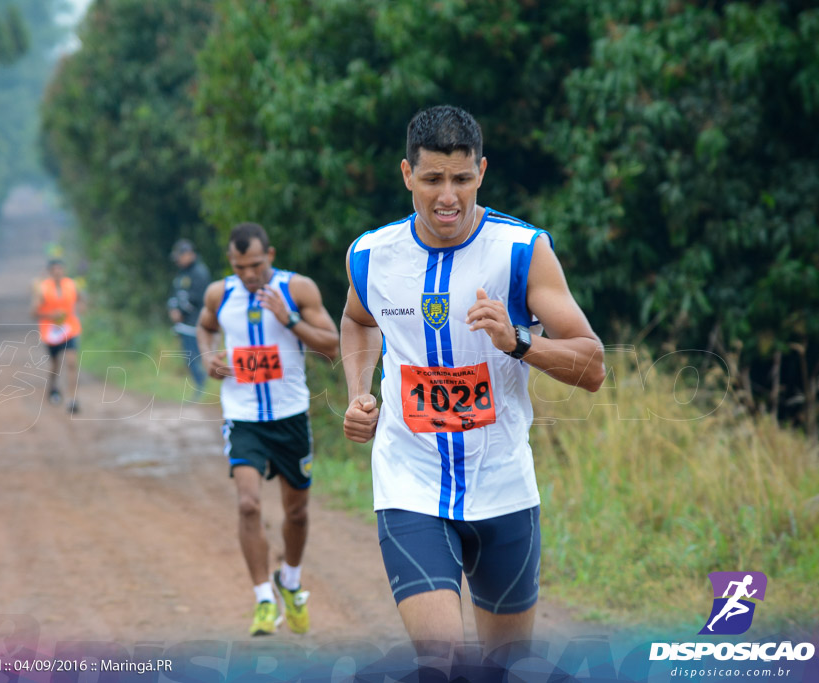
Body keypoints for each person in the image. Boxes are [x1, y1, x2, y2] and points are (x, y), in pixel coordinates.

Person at [340, 105, 606, 659]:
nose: (448, 196)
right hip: (409, 483)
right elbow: (358, 320)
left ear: (481, 172)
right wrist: (358, 393)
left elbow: (593, 367)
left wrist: (519, 342)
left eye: (462, 179)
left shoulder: (521, 251)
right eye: (433, 178)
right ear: (407, 174)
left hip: (504, 486)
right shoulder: (371, 255)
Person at [196, 222, 340, 636]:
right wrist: (208, 358)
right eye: (240, 266)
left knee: (296, 511)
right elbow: (204, 327)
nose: (248, 274)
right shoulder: (218, 294)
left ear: (270, 256)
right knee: (248, 504)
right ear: (231, 262)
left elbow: (330, 345)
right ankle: (263, 598)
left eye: (256, 264)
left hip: (290, 417)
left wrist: (289, 319)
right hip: (242, 418)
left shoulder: (298, 290)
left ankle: (290, 582)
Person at [31, 258, 84, 414]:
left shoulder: (72, 285)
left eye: (60, 269)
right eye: (54, 270)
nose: (58, 273)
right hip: (51, 332)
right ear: (50, 272)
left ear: (64, 271)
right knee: (55, 364)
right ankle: (53, 387)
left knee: (72, 362)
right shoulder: (43, 288)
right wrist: (50, 314)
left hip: (70, 329)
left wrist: (82, 306)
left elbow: (81, 299)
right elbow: (33, 312)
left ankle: (72, 399)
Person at [167, 239, 211, 398]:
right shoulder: (181, 274)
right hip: (183, 325)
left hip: (197, 324)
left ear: (189, 254)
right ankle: (200, 386)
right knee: (188, 358)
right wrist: (173, 309)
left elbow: (200, 297)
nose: (178, 260)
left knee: (196, 357)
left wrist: (181, 309)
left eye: (180, 256)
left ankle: (204, 387)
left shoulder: (200, 272)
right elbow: (174, 295)